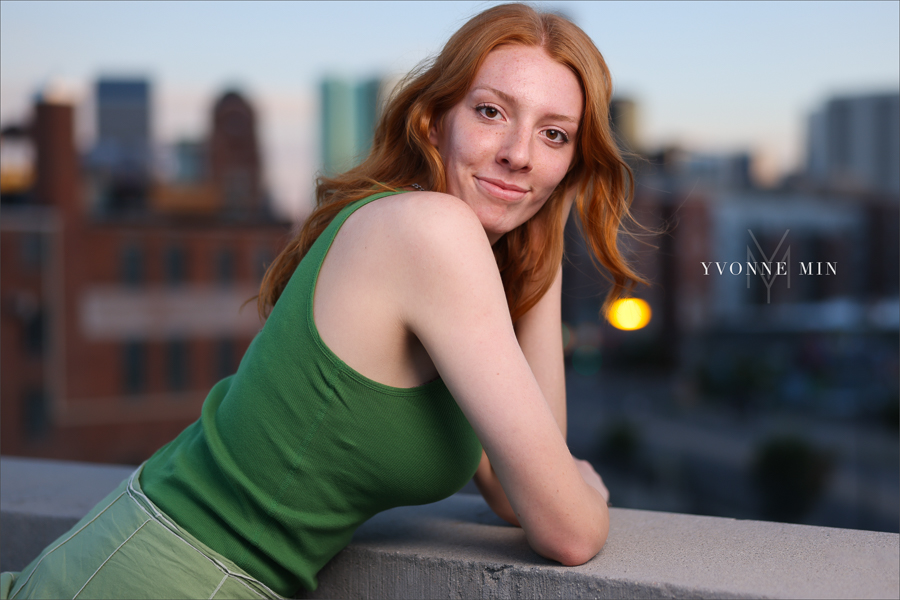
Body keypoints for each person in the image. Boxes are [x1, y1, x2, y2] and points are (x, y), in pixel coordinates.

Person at [1, 4, 647, 598]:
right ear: (433, 119)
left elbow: (517, 486)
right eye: (491, 112)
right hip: (157, 577)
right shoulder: (430, 234)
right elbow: (569, 526)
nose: (518, 155)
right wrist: (578, 489)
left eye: (555, 137)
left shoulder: (449, 260)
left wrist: (543, 227)